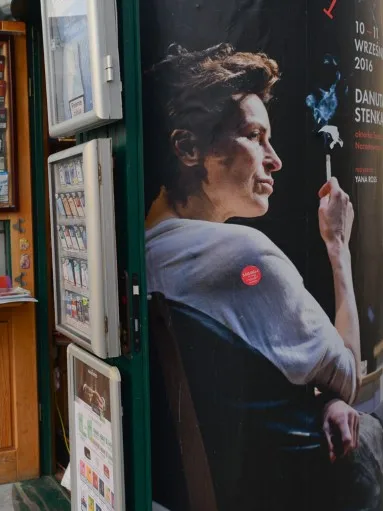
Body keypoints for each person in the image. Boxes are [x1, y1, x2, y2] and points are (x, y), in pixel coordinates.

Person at [144, 43, 375, 505]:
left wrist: (319, 398)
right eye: (254, 136)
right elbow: (348, 377)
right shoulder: (245, 255)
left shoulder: (147, 252)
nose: (275, 160)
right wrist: (338, 247)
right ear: (189, 148)